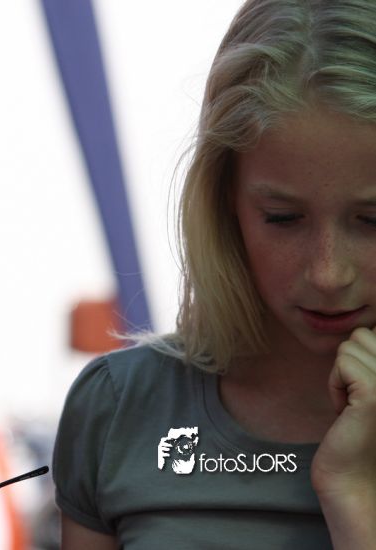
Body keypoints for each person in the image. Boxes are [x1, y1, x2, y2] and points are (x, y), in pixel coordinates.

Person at [53, 0, 376, 548]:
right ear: (224, 198)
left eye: (371, 220)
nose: (328, 273)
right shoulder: (120, 408)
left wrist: (354, 497)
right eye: (282, 218)